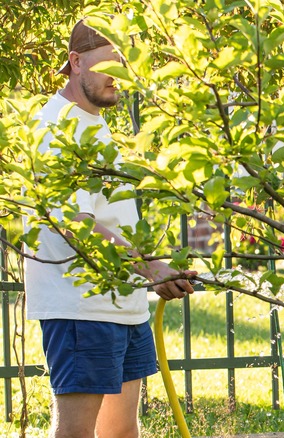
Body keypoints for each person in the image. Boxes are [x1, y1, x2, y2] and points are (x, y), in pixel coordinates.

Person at [24, 19, 195, 438]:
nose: (119, 78)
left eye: (124, 67)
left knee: (121, 432)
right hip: (80, 309)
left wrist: (151, 270)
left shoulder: (93, 122)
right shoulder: (56, 126)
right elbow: (75, 224)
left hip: (123, 307)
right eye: (109, 66)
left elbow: (105, 215)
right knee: (76, 434)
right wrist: (150, 269)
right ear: (76, 61)